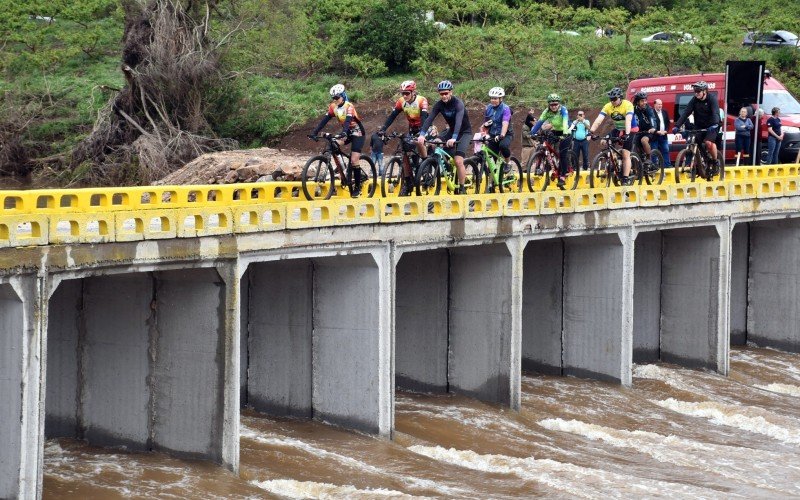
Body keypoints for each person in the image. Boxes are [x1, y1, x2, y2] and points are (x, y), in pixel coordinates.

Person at [309, 84, 367, 197]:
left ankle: (357, 187)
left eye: (337, 98)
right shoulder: (333, 107)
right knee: (333, 143)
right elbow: (324, 120)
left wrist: (344, 132)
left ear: (343, 95)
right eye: (333, 98)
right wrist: (314, 132)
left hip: (357, 132)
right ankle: (343, 169)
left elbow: (348, 121)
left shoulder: (349, 106)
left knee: (354, 160)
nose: (335, 100)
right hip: (346, 132)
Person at [417, 80, 473, 194]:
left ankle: (462, 187)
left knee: (458, 161)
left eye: (446, 93)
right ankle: (447, 169)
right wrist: (422, 134)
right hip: (451, 131)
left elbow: (458, 122)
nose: (444, 96)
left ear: (451, 92)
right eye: (441, 94)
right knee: (434, 143)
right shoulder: (439, 105)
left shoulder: (458, 104)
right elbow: (429, 119)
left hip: (464, 132)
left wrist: (454, 138)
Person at [380, 80, 429, 195]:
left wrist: (421, 133)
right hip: (412, 128)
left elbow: (424, 118)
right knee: (405, 152)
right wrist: (383, 129)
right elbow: (392, 116)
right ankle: (408, 183)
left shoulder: (422, 100)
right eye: (403, 93)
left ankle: (425, 163)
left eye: (407, 93)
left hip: (425, 127)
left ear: (413, 92)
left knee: (419, 143)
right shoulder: (401, 101)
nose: (405, 95)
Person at [589, 87, 638, 185]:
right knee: (605, 141)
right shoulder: (608, 106)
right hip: (618, 129)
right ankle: (613, 162)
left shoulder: (627, 105)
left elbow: (628, 120)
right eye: (611, 99)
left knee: (625, 153)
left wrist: (627, 134)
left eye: (614, 99)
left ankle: (625, 177)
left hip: (631, 129)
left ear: (620, 97)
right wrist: (591, 131)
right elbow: (599, 120)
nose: (612, 101)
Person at [672, 80, 721, 175]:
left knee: (708, 142)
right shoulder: (694, 100)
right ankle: (701, 162)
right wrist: (677, 126)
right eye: (695, 91)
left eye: (698, 91)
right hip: (699, 126)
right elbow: (686, 113)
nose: (696, 93)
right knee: (693, 141)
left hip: (712, 126)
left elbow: (715, 112)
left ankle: (715, 162)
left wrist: (715, 123)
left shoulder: (712, 99)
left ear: (704, 91)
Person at [530, 93, 571, 187]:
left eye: (555, 104)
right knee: (545, 146)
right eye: (552, 105)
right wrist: (532, 132)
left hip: (566, 131)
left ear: (559, 104)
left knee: (562, 154)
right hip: (555, 131)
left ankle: (562, 176)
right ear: (549, 104)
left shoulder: (563, 110)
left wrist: (565, 132)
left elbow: (565, 121)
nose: (554, 106)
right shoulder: (546, 111)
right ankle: (547, 163)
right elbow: (539, 122)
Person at [483, 86, 513, 169]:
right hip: (493, 134)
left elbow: (505, 123)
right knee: (491, 162)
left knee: (503, 146)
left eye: (495, 98)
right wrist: (484, 133)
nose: (493, 100)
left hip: (505, 134)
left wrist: (502, 135)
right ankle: (493, 181)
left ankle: (508, 163)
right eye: (492, 98)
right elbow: (485, 123)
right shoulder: (488, 108)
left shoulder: (506, 109)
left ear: (501, 99)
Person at [632, 91, 657, 171]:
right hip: (638, 132)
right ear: (637, 102)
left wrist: (653, 127)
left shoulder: (648, 109)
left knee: (644, 140)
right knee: (632, 143)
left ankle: (649, 158)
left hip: (648, 131)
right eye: (642, 101)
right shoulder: (633, 109)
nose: (644, 102)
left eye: (645, 100)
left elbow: (652, 118)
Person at [651, 98, 672, 167]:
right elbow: (650, 125)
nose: (660, 105)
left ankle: (667, 166)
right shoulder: (651, 112)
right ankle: (654, 166)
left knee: (666, 150)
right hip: (654, 136)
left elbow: (668, 123)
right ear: (654, 105)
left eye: (661, 104)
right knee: (654, 152)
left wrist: (666, 130)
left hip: (663, 135)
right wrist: (657, 132)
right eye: (659, 104)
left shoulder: (664, 112)